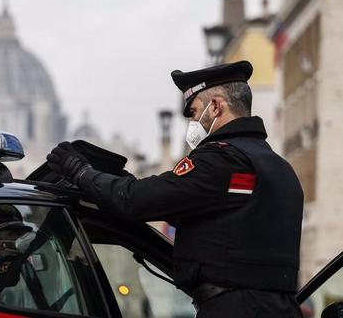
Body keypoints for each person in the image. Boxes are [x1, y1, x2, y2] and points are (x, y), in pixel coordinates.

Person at [46, 60, 304, 318]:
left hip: (233, 309)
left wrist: (80, 172)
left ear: (215, 107)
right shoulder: (280, 169)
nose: (191, 124)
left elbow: (135, 201)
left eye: (193, 113)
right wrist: (122, 179)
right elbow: (203, 216)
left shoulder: (221, 160)